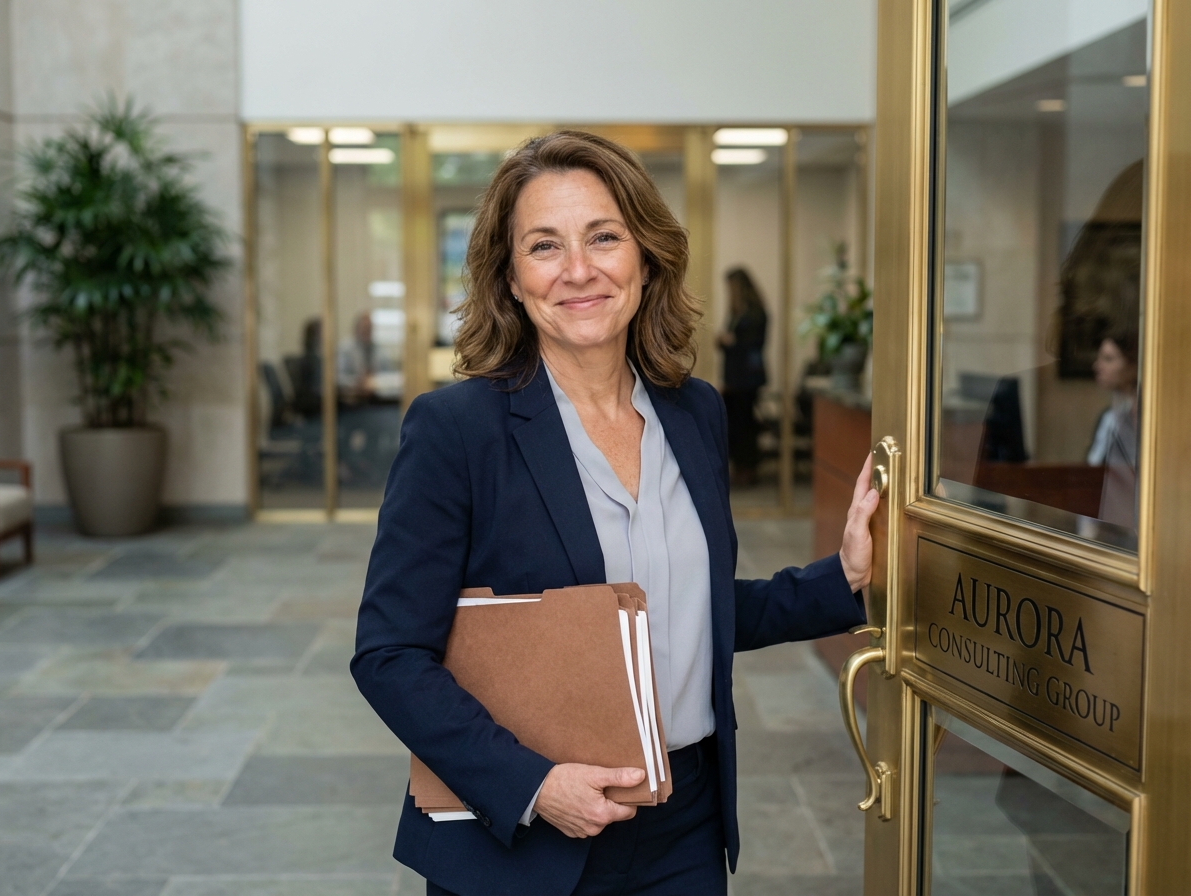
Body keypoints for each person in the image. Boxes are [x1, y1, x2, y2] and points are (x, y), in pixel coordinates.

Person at [351, 131, 879, 896]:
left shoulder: (694, 414)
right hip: (525, 842)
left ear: (646, 255)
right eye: (544, 246)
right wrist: (534, 785)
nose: (578, 270)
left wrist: (845, 578)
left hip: (684, 825)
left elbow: (685, 606)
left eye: (604, 236)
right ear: (509, 277)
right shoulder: (456, 431)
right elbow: (390, 656)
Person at [715, 268, 768, 486]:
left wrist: (731, 341)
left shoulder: (755, 313)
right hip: (734, 380)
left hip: (747, 381)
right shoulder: (737, 313)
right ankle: (740, 468)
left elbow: (752, 345)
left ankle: (748, 470)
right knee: (735, 426)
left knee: (745, 427)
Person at [1086, 329, 1138, 531]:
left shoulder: (1144, 419)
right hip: (1103, 524)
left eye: (1108, 359)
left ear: (1133, 365)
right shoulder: (1108, 417)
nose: (1097, 366)